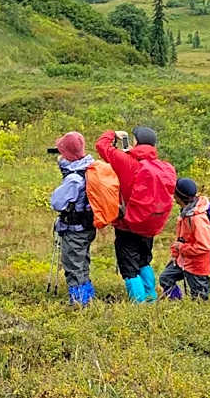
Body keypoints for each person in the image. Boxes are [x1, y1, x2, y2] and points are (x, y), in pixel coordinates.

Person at [95, 126, 176, 303]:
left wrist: (112, 134)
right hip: (150, 224)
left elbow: (102, 145)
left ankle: (138, 304)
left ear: (136, 142)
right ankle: (151, 297)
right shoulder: (165, 167)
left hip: (128, 224)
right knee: (144, 261)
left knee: (129, 266)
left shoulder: (126, 162)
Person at [49, 132, 97, 305]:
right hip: (87, 228)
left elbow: (57, 203)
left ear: (67, 154)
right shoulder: (89, 169)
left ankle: (79, 302)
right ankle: (87, 296)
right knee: (82, 263)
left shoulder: (74, 178)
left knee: (73, 265)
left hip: (75, 229)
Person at [159, 178, 210, 300]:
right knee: (165, 278)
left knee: (200, 299)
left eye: (175, 193)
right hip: (183, 261)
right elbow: (182, 238)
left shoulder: (197, 218)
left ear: (179, 196)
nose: (173, 196)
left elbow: (205, 246)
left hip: (198, 266)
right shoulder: (186, 213)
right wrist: (176, 253)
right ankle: (176, 303)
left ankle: (200, 317)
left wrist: (182, 248)